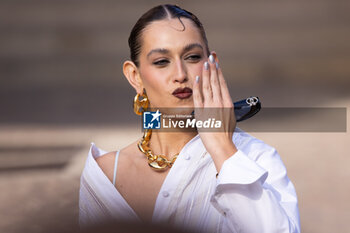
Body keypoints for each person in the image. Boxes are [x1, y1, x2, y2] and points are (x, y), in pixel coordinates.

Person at [79, 4, 300, 233]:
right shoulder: (104, 175)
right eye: (161, 61)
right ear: (135, 76)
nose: (180, 75)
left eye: (192, 57)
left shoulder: (256, 158)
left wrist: (223, 149)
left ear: (211, 64)